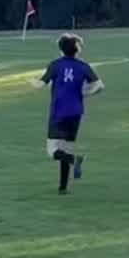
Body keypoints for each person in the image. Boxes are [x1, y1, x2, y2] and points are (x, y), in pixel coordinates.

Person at [38, 33, 103, 194]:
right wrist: (85, 93)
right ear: (76, 49)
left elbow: (41, 83)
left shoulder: (56, 65)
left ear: (61, 49)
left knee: (52, 150)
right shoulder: (83, 66)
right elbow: (99, 86)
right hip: (75, 112)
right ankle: (62, 188)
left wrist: (31, 83)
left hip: (59, 111)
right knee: (65, 148)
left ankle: (74, 160)